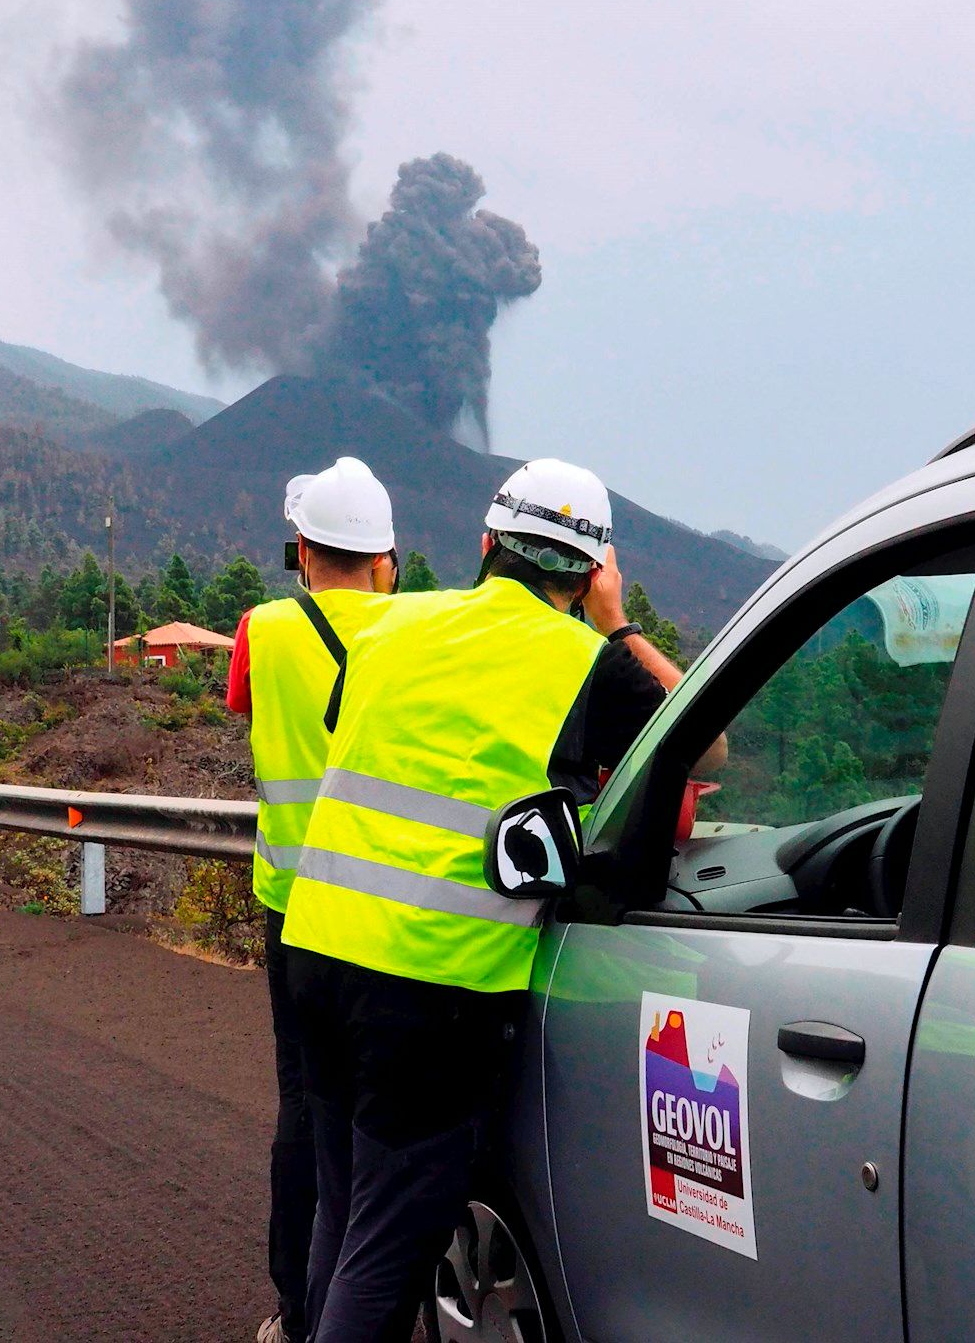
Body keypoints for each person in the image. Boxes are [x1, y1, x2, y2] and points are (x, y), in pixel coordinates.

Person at [282, 458, 725, 1341]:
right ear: (591, 572)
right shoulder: (587, 663)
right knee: (389, 1238)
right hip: (429, 987)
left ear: (485, 545)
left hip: (315, 951)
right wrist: (617, 621)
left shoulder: (391, 626)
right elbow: (704, 749)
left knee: (343, 1204)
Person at [225, 457, 398, 1343]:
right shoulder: (408, 630)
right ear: (386, 558)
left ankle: (298, 1307)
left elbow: (240, 705)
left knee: (305, 1102)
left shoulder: (263, 628)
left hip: (291, 903)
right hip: (384, 903)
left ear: (301, 549)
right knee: (386, 1114)